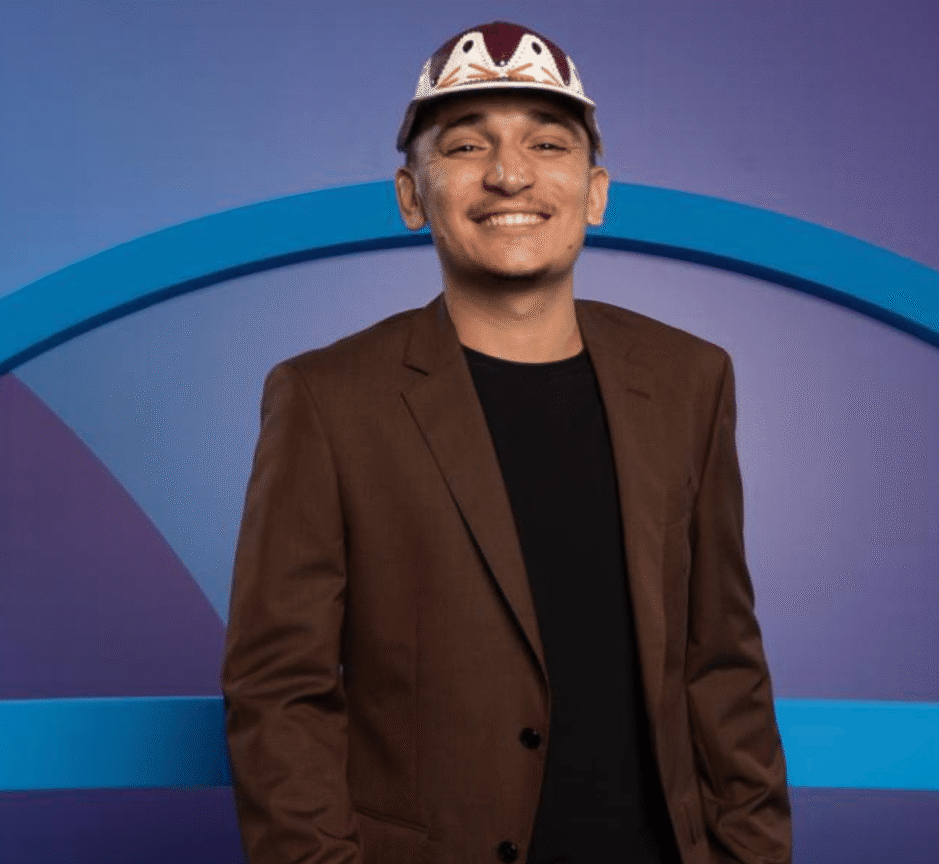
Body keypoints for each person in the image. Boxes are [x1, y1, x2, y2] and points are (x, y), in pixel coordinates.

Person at [222, 20, 792, 864]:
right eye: (465, 145)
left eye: (547, 143)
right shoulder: (326, 398)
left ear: (594, 192)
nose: (509, 173)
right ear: (412, 196)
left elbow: (724, 664)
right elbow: (279, 693)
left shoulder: (689, 380)